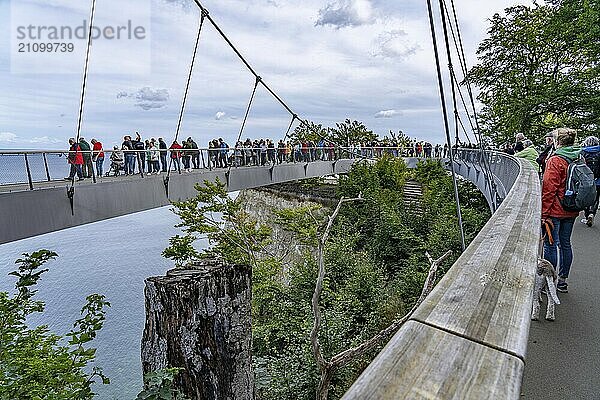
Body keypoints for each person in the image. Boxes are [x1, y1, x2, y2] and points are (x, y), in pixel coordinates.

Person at [541, 128, 580, 293]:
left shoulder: (555, 160)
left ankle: (549, 282)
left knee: (550, 246)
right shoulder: (578, 157)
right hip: (572, 208)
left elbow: (549, 189)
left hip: (555, 210)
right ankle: (562, 281)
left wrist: (543, 214)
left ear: (557, 141)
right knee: (565, 244)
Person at [580, 136, 600, 227]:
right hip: (598, 180)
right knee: (596, 198)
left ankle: (587, 214)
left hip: (586, 180)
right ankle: (592, 213)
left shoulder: (582, 152)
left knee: (585, 198)